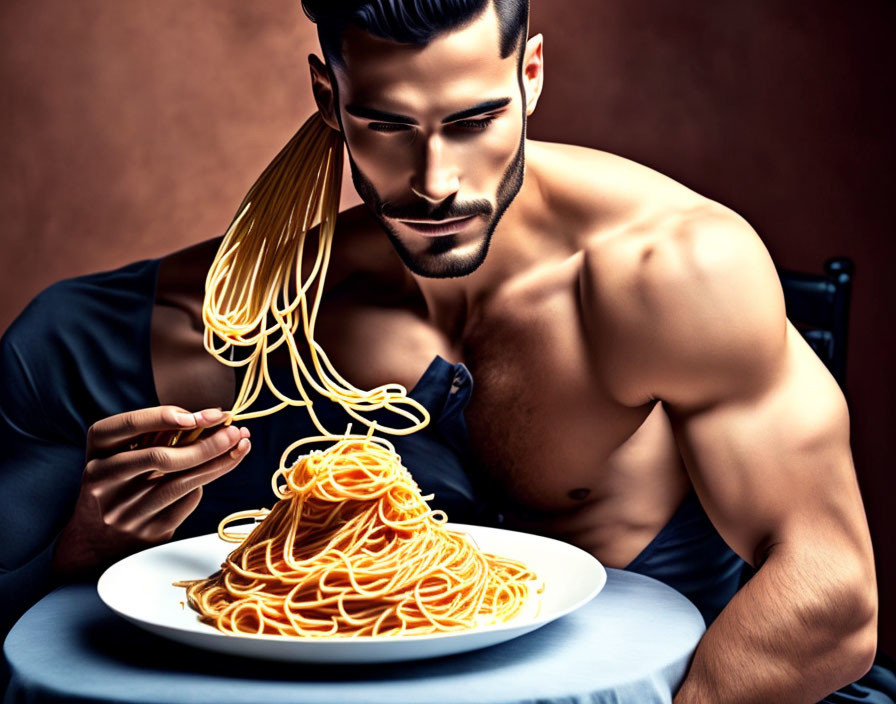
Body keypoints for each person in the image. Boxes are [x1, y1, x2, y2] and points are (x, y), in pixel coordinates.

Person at [1, 1, 893, 701]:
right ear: (329, 101)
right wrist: (80, 543)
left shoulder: (671, 269)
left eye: (474, 120)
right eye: (389, 126)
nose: (436, 182)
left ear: (531, 75)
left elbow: (832, 599)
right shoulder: (209, 320)